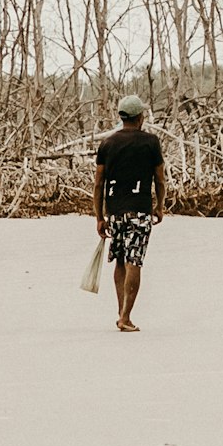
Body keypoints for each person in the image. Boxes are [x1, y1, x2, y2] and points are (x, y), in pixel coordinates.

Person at [93, 95, 165, 331]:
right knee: (135, 260)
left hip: (114, 211)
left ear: (121, 117)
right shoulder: (151, 142)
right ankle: (125, 316)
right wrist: (160, 206)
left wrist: (99, 217)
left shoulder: (108, 144)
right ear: (140, 117)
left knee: (121, 260)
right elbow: (159, 179)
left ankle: (121, 310)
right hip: (139, 211)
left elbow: (98, 184)